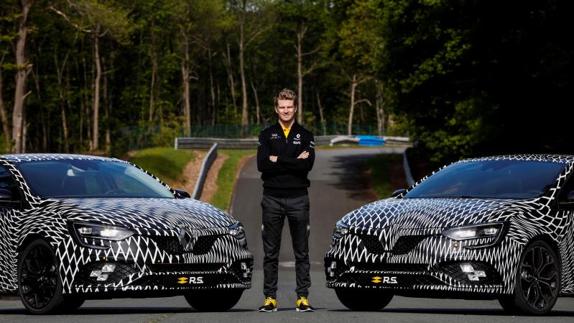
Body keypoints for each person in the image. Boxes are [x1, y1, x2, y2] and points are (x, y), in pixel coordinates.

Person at [256, 88, 315, 312]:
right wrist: (292, 160)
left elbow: (306, 165)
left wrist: (277, 159)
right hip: (271, 198)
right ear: (276, 109)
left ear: (295, 108)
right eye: (282, 107)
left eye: (289, 107)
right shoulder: (266, 134)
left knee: (302, 252)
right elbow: (262, 164)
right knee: (271, 252)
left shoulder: (306, 135)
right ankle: (270, 298)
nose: (286, 110)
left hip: (299, 198)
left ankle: (303, 297)